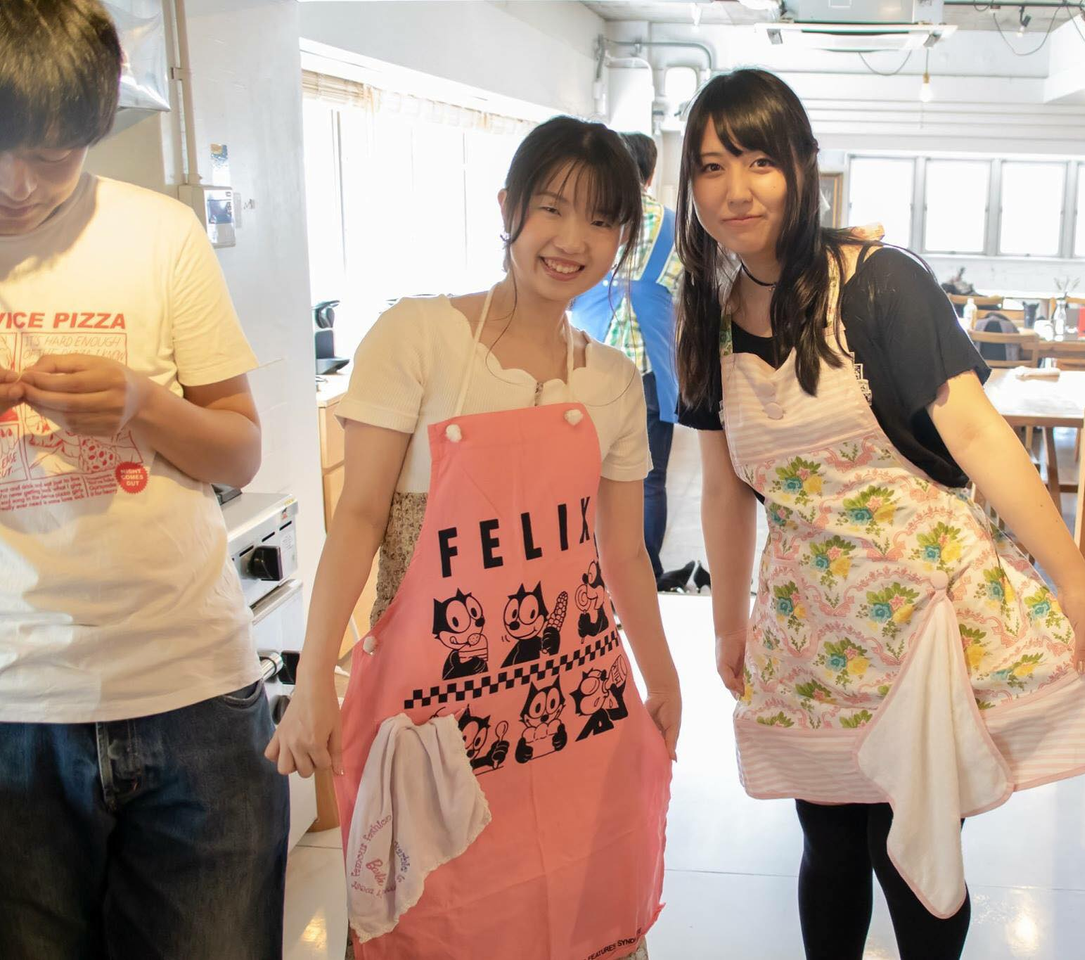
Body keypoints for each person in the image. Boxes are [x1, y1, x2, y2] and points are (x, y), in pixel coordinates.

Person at [674, 69, 1085, 960]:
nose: (735, 189)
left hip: (921, 618)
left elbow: (981, 437)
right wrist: (730, 623)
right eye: (711, 166)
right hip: (809, 624)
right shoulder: (709, 317)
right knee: (828, 843)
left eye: (760, 161)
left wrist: (1077, 583)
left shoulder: (881, 283)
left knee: (912, 844)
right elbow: (724, 490)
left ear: (803, 166)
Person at [267, 116, 678, 960]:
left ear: (624, 241)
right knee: (443, 922)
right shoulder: (419, 338)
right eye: (552, 208)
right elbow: (360, 517)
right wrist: (313, 682)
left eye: (602, 220)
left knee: (581, 912)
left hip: (575, 710)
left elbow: (622, 552)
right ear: (507, 207)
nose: (573, 240)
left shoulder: (610, 381)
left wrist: (663, 673)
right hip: (437, 719)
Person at [0, 2, 285, 957]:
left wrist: (140, 403)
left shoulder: (160, 234)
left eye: (53, 154)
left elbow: (239, 452)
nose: (19, 184)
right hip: (14, 702)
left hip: (191, 687)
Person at [569, 131, 702, 593]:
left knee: (581, 479)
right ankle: (645, 576)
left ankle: (587, 575)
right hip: (650, 370)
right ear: (651, 172)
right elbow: (688, 300)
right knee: (649, 480)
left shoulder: (589, 221)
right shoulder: (678, 227)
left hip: (585, 367)